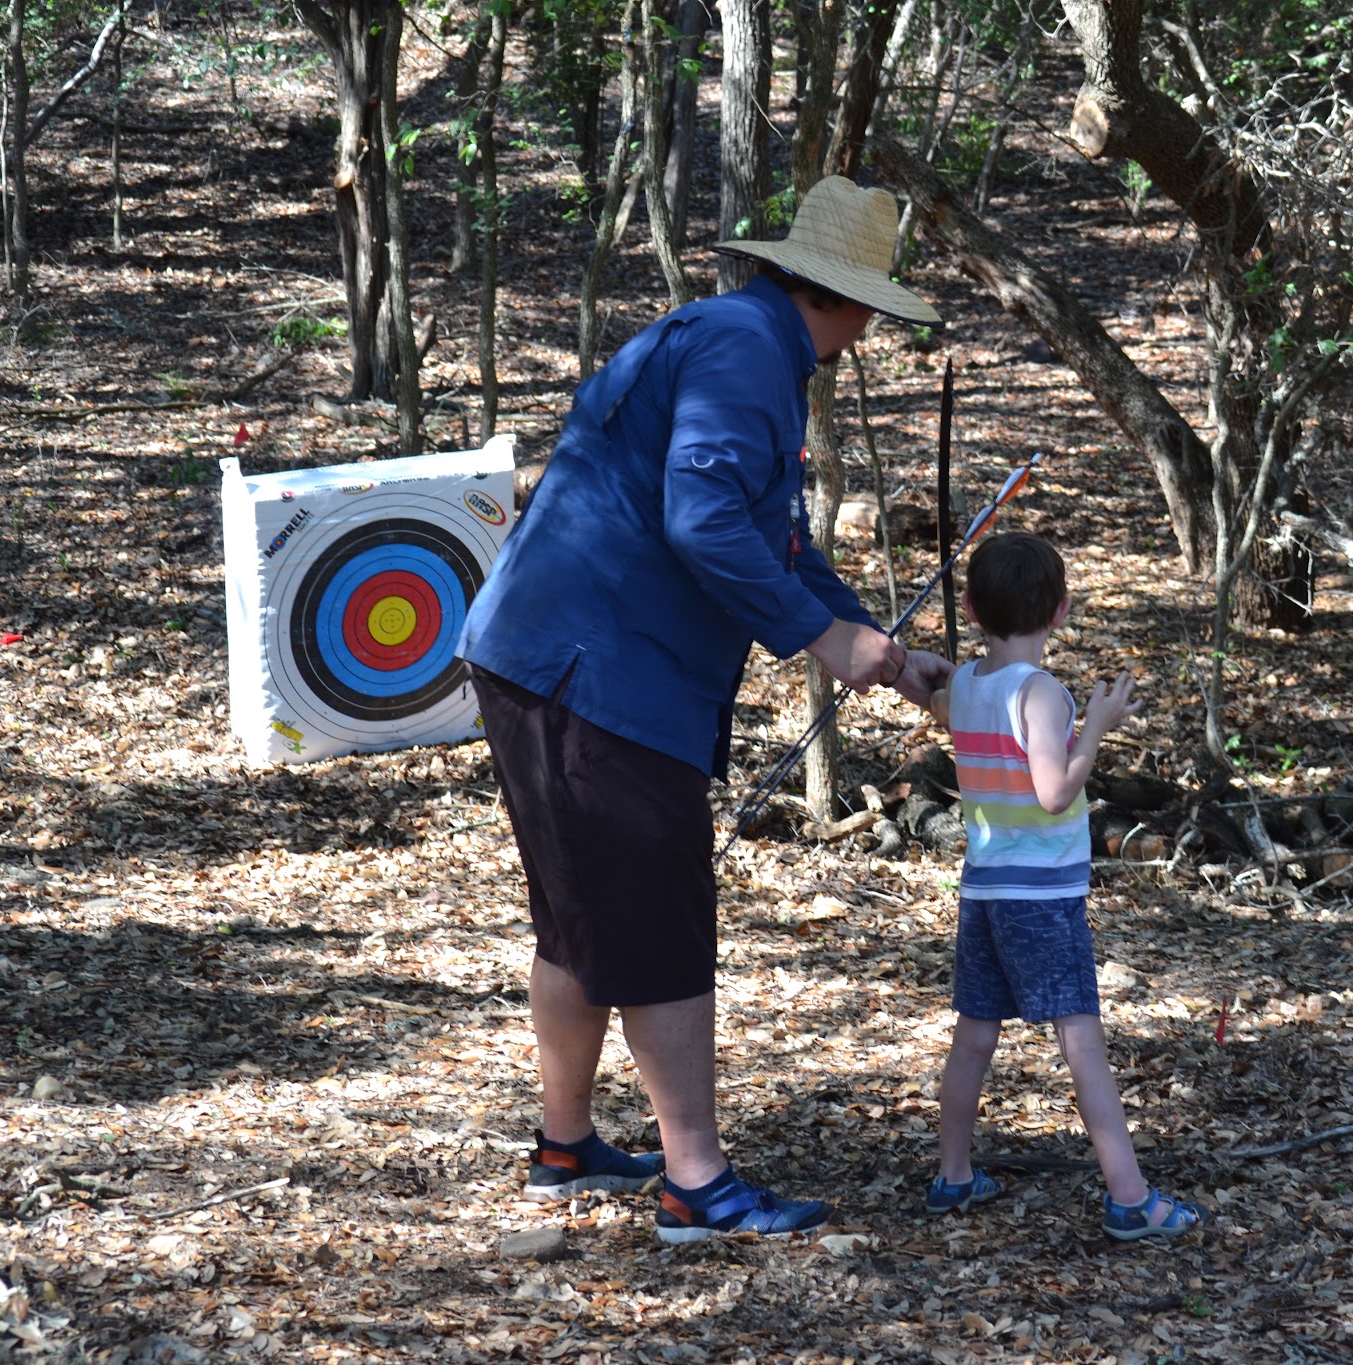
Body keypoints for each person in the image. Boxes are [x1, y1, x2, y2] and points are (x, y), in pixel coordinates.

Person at [457, 176, 953, 1243]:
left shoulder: (747, 342)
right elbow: (702, 523)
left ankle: (566, 1146)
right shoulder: (743, 351)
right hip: (595, 679)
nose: (870, 330)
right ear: (844, 296)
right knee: (659, 928)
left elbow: (774, 539)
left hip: (541, 659)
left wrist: (880, 645)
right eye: (873, 303)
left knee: (578, 921)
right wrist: (824, 641)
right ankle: (694, 1182)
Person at [924, 533, 1206, 1239]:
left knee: (973, 1037)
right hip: (1042, 899)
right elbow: (1054, 790)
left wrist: (915, 670)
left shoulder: (965, 685)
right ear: (1061, 610)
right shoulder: (1043, 692)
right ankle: (1130, 1196)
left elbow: (941, 699)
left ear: (969, 606)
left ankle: (952, 1176)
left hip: (984, 891)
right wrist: (1097, 729)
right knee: (1080, 1039)